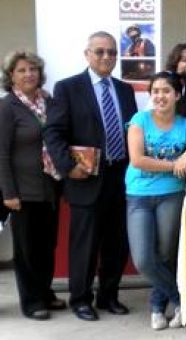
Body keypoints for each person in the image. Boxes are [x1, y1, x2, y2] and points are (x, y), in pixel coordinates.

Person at [45, 31, 138, 321]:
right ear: (87, 54)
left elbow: (131, 131)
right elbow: (53, 132)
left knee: (116, 242)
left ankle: (108, 296)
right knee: (84, 244)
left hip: (120, 175)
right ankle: (80, 299)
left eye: (111, 52)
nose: (106, 57)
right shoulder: (68, 88)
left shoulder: (125, 90)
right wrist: (67, 166)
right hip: (85, 176)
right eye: (100, 51)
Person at [125, 72, 186, 330]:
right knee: (143, 259)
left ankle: (157, 308)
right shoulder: (140, 120)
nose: (160, 96)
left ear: (177, 95)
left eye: (166, 91)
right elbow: (138, 160)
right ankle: (183, 301)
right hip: (139, 194)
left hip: (171, 194)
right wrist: (175, 163)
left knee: (165, 253)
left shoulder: (185, 125)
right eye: (156, 91)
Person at [0, 50, 64, 320]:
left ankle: (45, 291)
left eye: (33, 69)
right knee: (26, 250)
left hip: (50, 186)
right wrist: (8, 192)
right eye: (22, 70)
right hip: (22, 191)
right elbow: (1, 153)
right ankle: (31, 300)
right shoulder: (7, 106)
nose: (29, 74)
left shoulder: (47, 101)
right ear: (11, 76)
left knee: (46, 245)